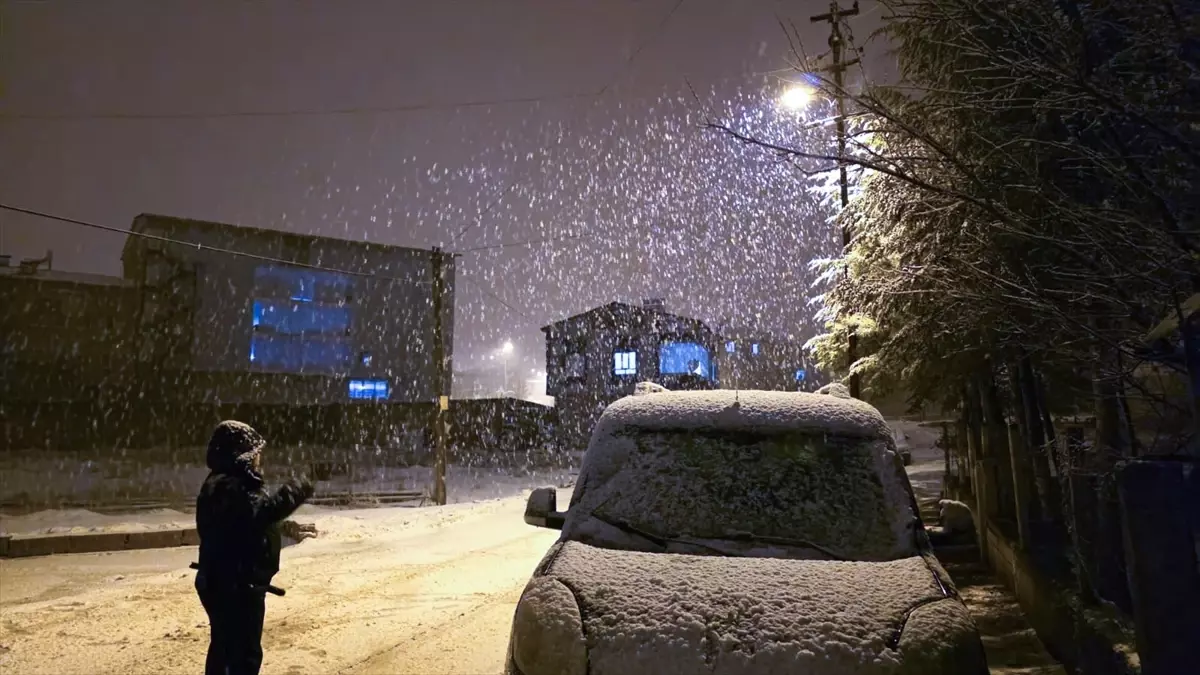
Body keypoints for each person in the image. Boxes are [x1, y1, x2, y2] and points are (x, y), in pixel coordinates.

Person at [194, 420, 314, 675]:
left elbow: (244, 523)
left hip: (228, 580)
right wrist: (295, 490)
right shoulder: (232, 484)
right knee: (241, 657)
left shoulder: (221, 482)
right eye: (256, 453)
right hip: (236, 585)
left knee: (225, 650)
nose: (260, 459)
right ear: (243, 456)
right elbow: (259, 515)